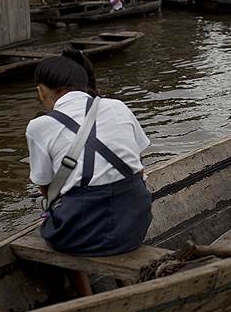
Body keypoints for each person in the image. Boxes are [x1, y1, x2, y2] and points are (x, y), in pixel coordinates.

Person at [26, 52, 152, 295]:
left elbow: (45, 189)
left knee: (59, 218)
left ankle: (85, 297)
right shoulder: (118, 106)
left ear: (43, 90)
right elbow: (139, 168)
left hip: (78, 235)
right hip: (135, 225)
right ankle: (123, 287)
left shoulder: (39, 126)